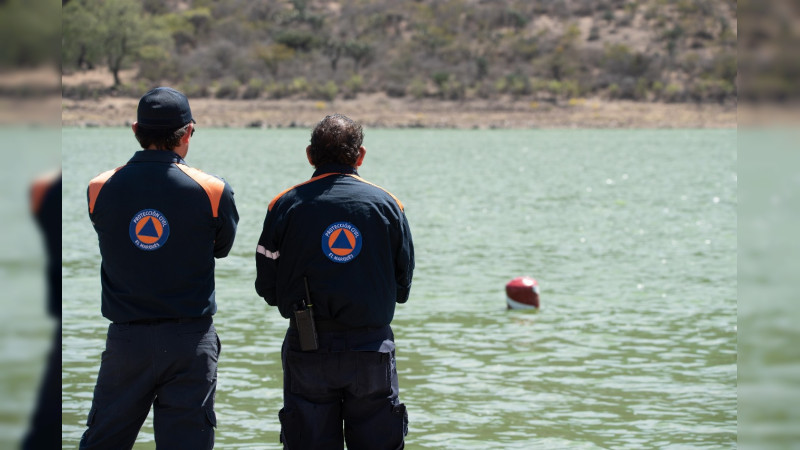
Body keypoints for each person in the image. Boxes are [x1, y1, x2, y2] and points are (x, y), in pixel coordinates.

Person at [80, 87, 239, 449]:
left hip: (126, 341)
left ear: (136, 130)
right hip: (189, 341)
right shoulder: (213, 190)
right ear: (187, 133)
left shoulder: (99, 187)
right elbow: (222, 247)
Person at [255, 113, 415, 449]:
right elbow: (403, 284)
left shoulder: (284, 205)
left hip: (307, 346)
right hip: (371, 349)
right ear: (360, 156)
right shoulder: (389, 206)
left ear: (310, 155)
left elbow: (267, 286)